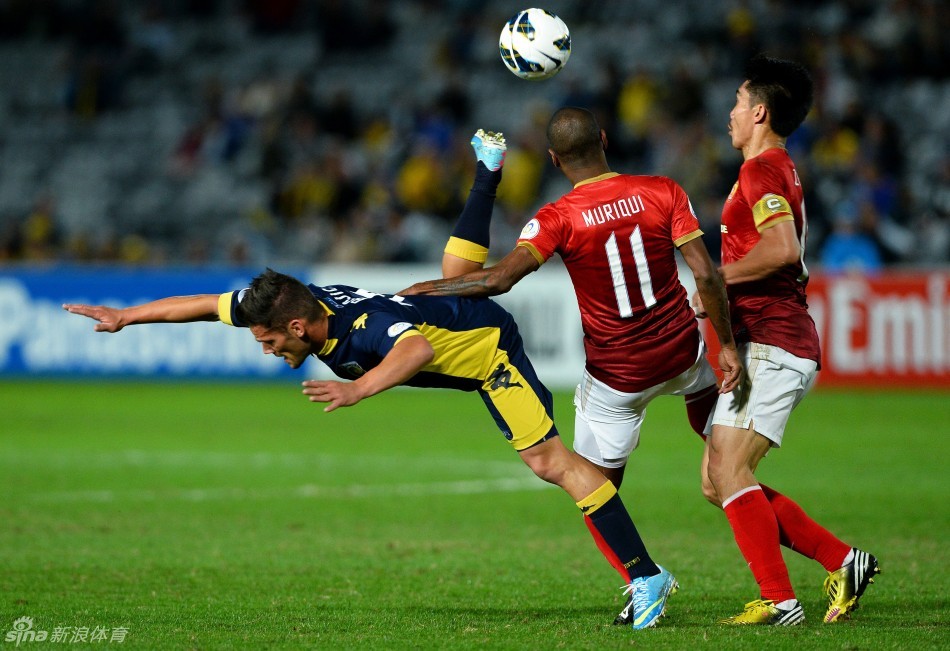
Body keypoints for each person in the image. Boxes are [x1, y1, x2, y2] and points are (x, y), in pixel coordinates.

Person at [62, 139, 675, 632]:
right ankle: (487, 171)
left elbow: (417, 348)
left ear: (298, 326)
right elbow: (204, 305)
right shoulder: (302, 305)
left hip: (491, 352)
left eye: (270, 340)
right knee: (449, 277)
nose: (267, 347)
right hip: (443, 310)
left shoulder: (361, 331)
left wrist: (359, 391)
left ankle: (647, 575)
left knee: (549, 462)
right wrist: (126, 315)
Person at [400, 111, 744, 627]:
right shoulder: (663, 190)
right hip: (684, 355)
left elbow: (496, 282)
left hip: (619, 378)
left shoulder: (557, 216)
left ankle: (642, 579)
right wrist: (729, 346)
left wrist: (429, 289)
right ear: (604, 140)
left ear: (554, 160)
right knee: (728, 468)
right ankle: (812, 559)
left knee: (591, 485)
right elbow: (705, 275)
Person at [693, 54, 879, 625]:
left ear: (761, 112)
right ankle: (842, 560)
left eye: (738, 103)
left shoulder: (761, 171)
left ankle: (780, 599)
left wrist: (715, 280)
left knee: (729, 475)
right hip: (761, 341)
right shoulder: (775, 169)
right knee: (715, 480)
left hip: (777, 342)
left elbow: (783, 252)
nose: (730, 113)